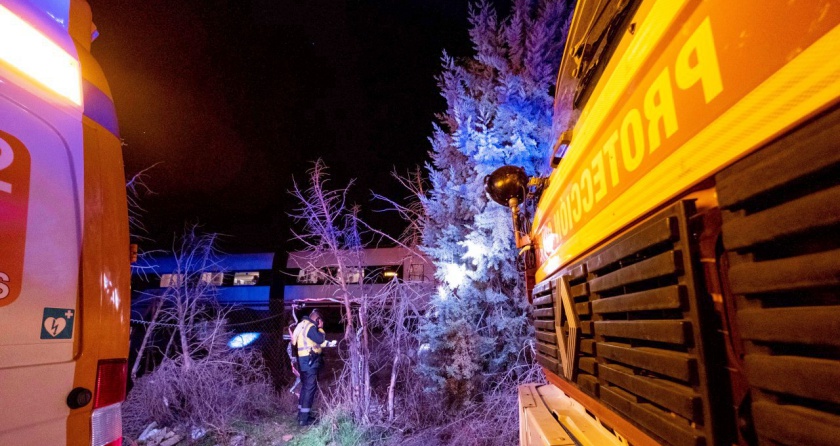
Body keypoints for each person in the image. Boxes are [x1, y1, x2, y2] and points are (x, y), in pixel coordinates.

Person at [291, 308, 329, 426]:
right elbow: (320, 339)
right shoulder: (311, 327)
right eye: (320, 321)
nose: (321, 324)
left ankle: (302, 415)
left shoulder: (302, 325)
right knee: (310, 388)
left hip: (303, 361)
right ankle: (304, 419)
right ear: (317, 320)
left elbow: (296, 342)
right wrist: (321, 328)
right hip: (310, 361)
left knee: (305, 387)